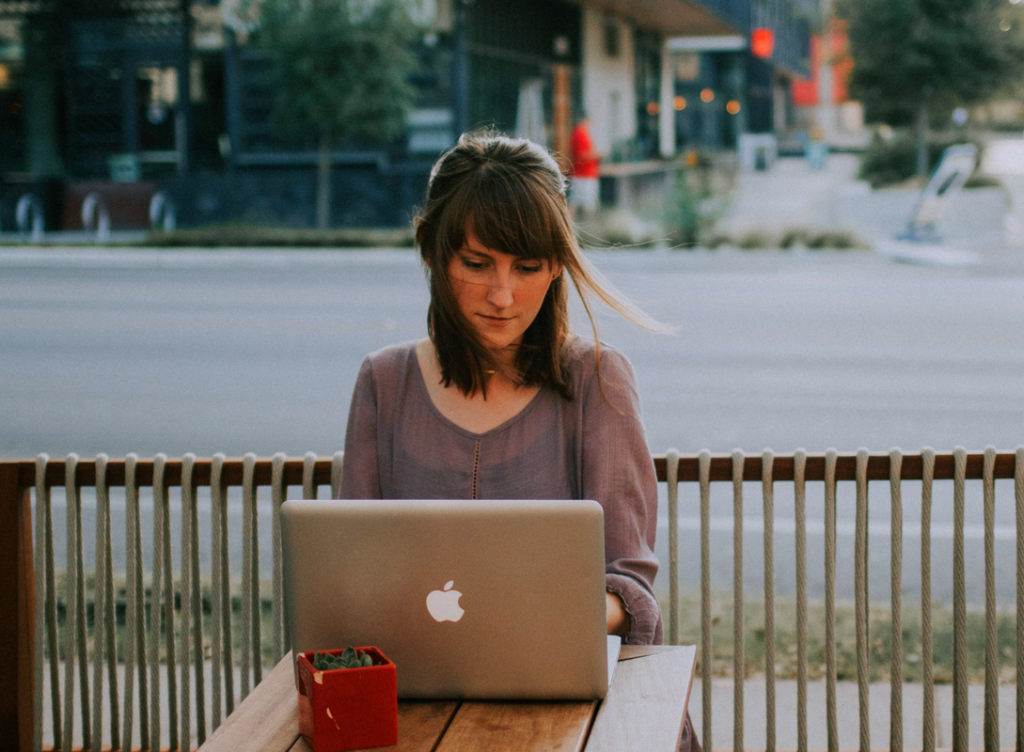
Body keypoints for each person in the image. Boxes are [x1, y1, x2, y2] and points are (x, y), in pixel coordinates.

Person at [340, 132, 701, 752]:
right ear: (431, 250)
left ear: (557, 264)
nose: (502, 297)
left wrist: (547, 617)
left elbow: (631, 589)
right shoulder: (384, 381)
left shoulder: (597, 379)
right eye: (476, 264)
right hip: (419, 716)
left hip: (576, 720)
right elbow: (350, 575)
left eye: (527, 267)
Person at [569, 114, 600, 216]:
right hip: (582, 174)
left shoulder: (583, 133)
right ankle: (589, 225)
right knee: (584, 203)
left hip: (586, 173)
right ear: (583, 121)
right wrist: (597, 155)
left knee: (576, 201)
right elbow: (581, 155)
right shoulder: (579, 134)